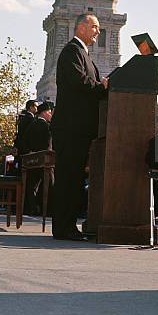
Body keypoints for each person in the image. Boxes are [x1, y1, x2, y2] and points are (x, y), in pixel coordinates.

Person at [51, 13, 108, 241]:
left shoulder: (82, 53)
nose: (97, 32)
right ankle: (64, 228)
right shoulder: (72, 51)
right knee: (68, 179)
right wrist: (102, 86)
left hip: (78, 128)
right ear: (82, 27)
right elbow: (80, 82)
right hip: (71, 128)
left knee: (73, 179)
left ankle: (67, 227)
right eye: (95, 27)